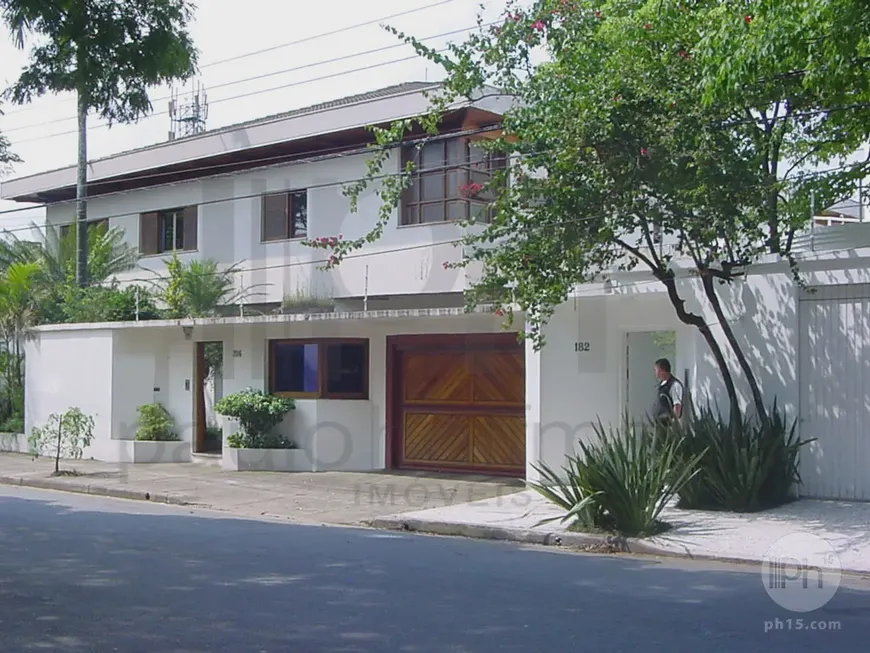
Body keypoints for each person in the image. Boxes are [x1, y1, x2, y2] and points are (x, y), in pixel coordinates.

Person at [652, 357, 683, 425]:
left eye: (655, 370)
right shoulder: (663, 383)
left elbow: (677, 406)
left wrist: (673, 424)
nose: (654, 372)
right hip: (660, 423)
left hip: (668, 425)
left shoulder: (674, 385)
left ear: (662, 370)